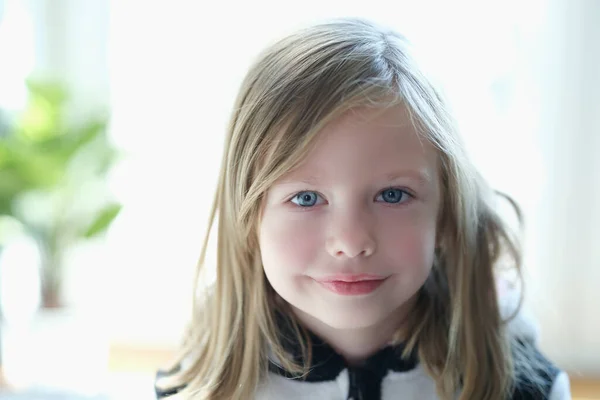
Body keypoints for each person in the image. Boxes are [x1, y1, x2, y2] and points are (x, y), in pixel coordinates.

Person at [154, 17, 570, 399]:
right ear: (248, 218)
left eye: (392, 195)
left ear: (444, 213)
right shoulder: (197, 388)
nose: (351, 242)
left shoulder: (523, 388)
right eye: (306, 198)